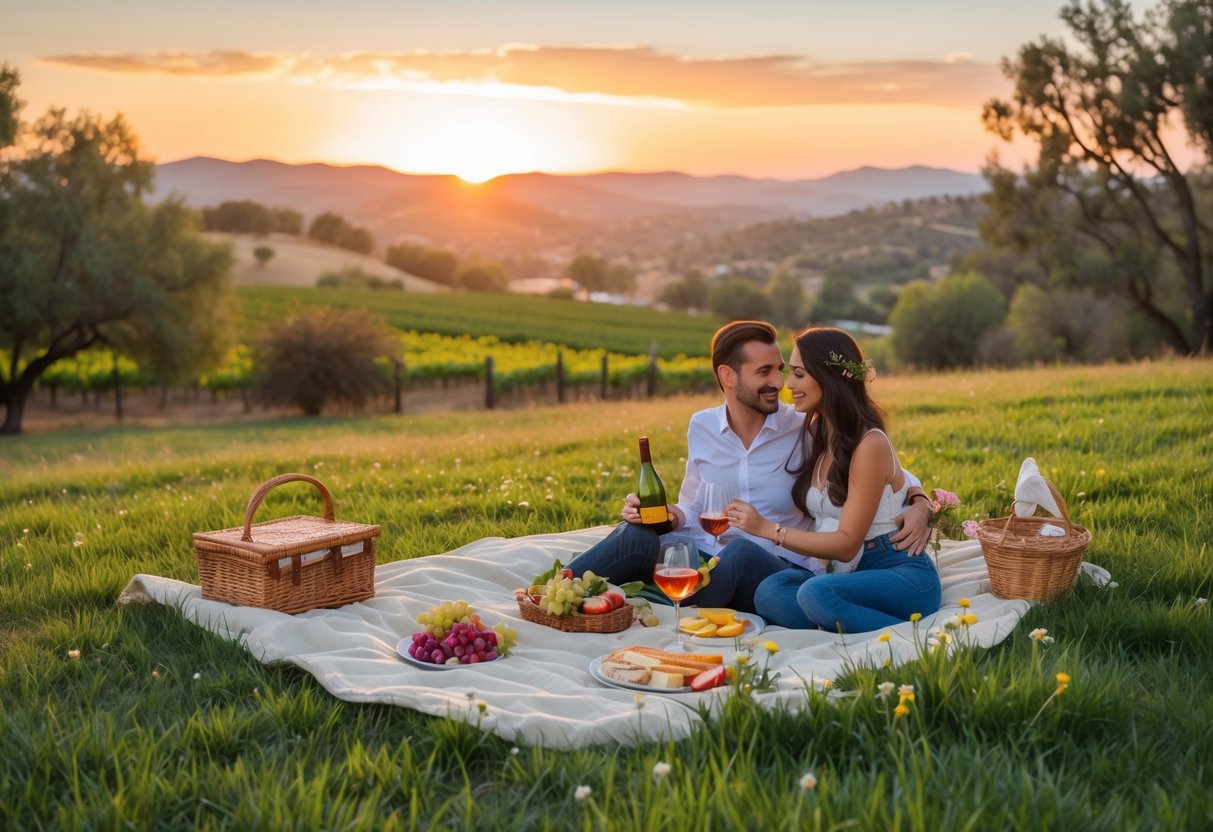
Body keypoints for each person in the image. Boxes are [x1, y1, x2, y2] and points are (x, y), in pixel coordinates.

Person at [569, 320, 932, 614]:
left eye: (782, 370)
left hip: (777, 564)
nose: (779, 383)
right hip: (709, 556)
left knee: (741, 551)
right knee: (636, 536)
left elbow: (880, 466)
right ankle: (555, 590)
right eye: (765, 372)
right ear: (729, 377)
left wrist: (919, 501)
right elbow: (693, 508)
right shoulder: (703, 426)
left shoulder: (806, 426)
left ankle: (669, 607)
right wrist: (665, 516)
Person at [729, 326, 942, 632]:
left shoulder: (869, 442)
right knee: (769, 592)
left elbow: (846, 545)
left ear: (830, 377)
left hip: (898, 572)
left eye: (799, 374)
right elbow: (899, 478)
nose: (788, 384)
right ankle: (844, 622)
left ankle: (908, 643)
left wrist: (768, 529)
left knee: (815, 593)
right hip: (846, 577)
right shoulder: (821, 434)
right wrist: (920, 497)